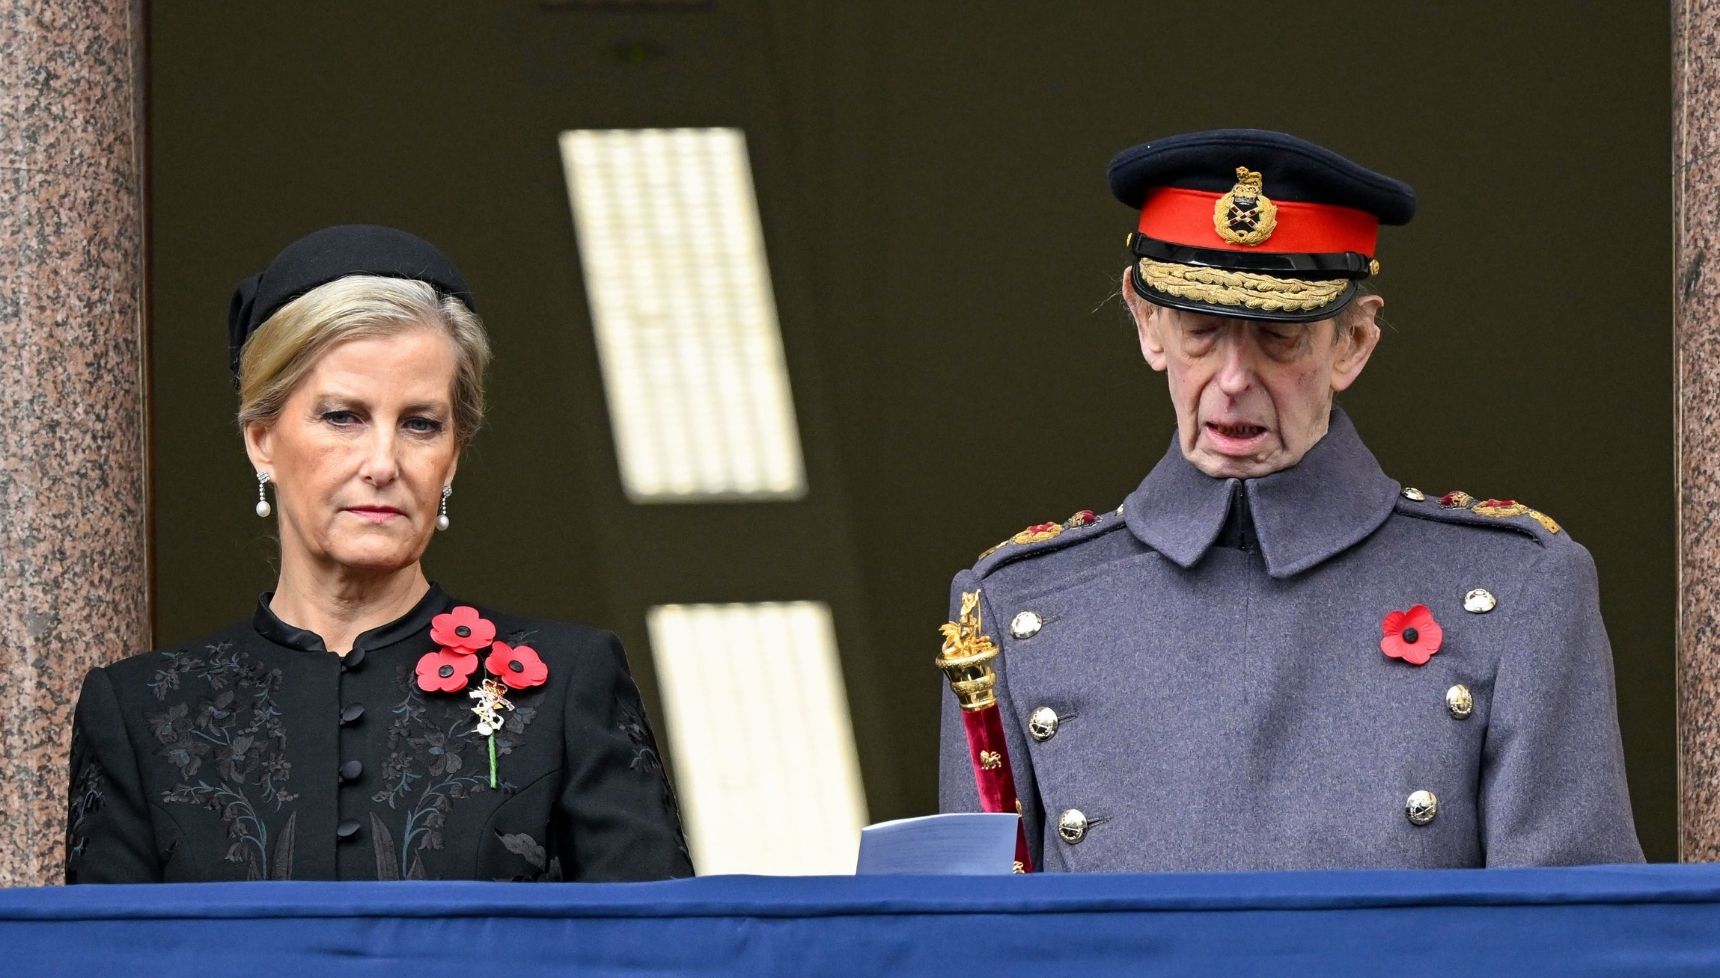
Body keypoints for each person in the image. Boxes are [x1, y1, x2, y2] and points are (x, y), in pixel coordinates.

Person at [938, 129, 1644, 871]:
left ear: (1354, 342)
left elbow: (1573, 937)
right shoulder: (1012, 609)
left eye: (1279, 338)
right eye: (1201, 331)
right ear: (1147, 323)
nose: (1235, 379)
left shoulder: (1520, 590)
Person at [65, 225, 692, 882]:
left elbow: (664, 951)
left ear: (452, 456)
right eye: (343, 416)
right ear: (262, 440)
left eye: (420, 424)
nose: (384, 464)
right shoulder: (140, 711)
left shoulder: (569, 683)